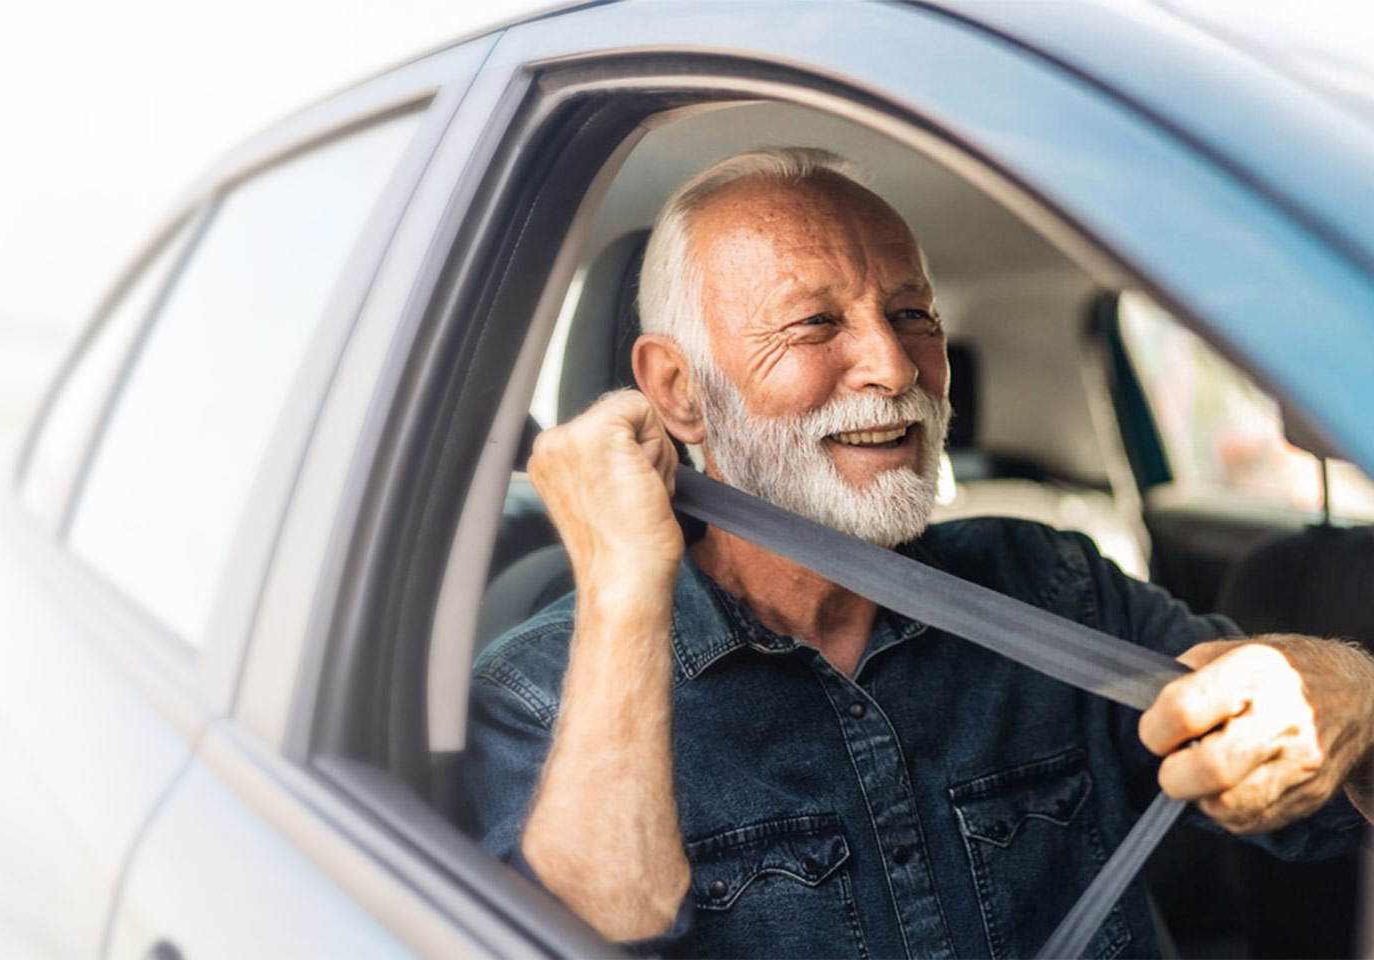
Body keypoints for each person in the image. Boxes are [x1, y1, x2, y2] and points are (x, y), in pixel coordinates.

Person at [463, 147, 1374, 958]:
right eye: (815, 325)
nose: (894, 370)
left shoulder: (1054, 588)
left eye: (912, 315)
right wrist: (624, 584)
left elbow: (1311, 803)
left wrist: (1354, 707)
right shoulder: (537, 693)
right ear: (677, 389)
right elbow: (578, 933)